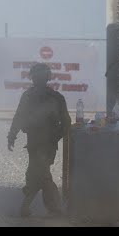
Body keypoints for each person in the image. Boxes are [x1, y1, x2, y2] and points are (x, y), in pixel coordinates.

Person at [7, 62, 71, 217]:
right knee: (40, 174)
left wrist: (12, 135)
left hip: (42, 144)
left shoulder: (46, 97)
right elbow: (66, 123)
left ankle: (35, 207)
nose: (38, 80)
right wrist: (12, 135)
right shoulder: (54, 97)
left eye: (39, 76)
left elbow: (66, 123)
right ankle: (53, 209)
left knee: (38, 174)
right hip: (38, 144)